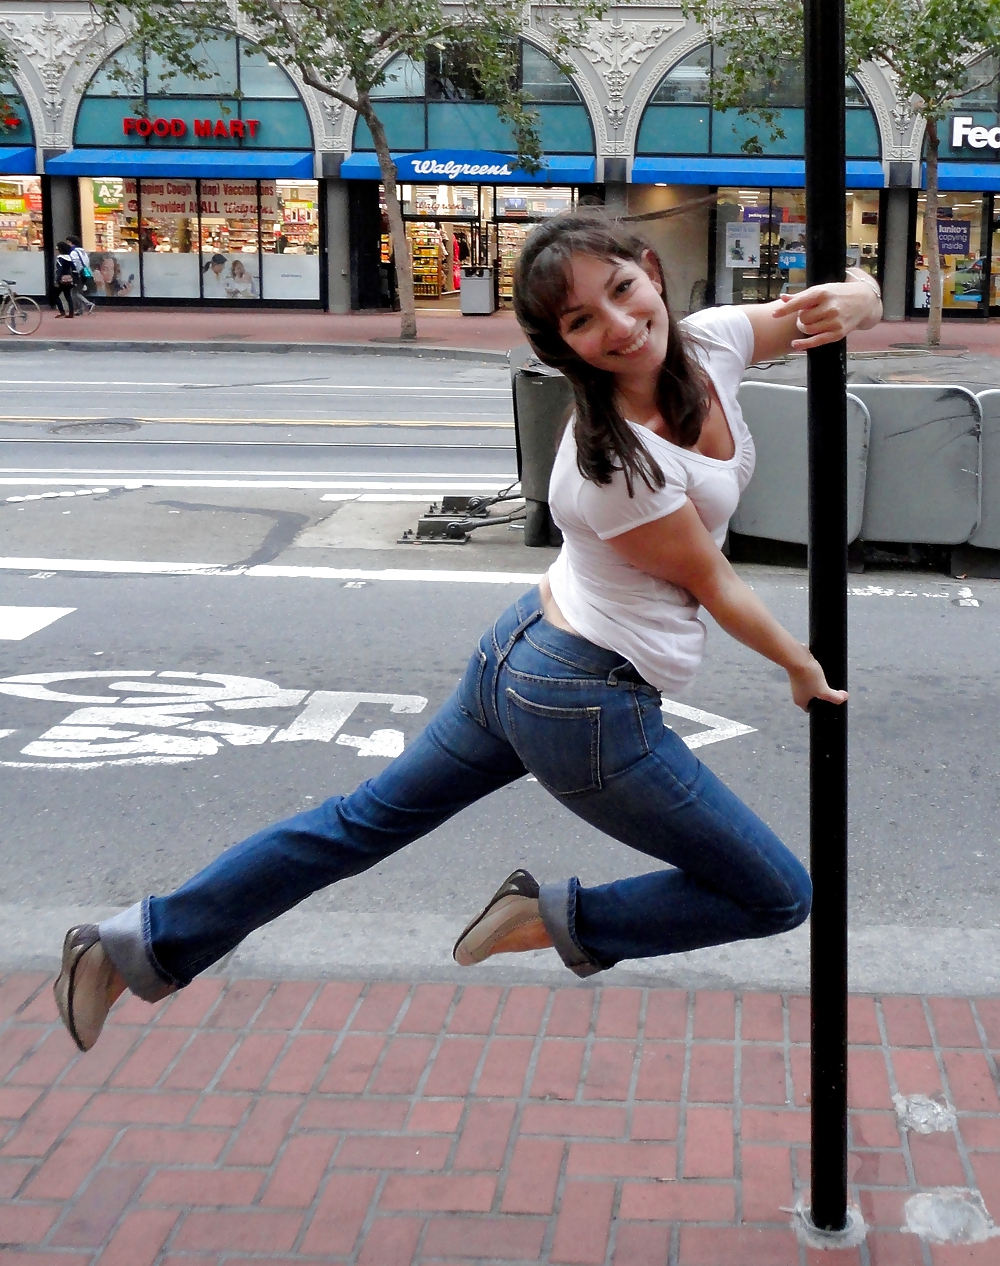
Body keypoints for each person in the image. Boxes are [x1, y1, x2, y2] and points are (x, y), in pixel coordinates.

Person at [54, 209, 882, 1052]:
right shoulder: (608, 465)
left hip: (525, 649)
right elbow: (712, 581)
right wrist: (799, 664)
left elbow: (819, 312)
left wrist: (859, 296)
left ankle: (129, 948)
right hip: (584, 700)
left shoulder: (707, 342)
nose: (623, 326)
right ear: (561, 347)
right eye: (583, 321)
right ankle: (561, 918)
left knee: (357, 823)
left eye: (624, 292)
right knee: (775, 894)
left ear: (650, 272)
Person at [66, 235, 95, 315]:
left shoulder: (73, 252)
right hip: (85, 273)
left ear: (72, 243)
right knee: (79, 291)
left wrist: (73, 272)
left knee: (74, 292)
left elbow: (74, 263)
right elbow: (86, 262)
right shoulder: (82, 251)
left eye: (68, 242)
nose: (67, 244)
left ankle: (88, 304)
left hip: (78, 274)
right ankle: (80, 310)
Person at [53, 240, 76, 318]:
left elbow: (60, 269)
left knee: (55, 295)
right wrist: (74, 279)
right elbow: (74, 269)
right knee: (68, 296)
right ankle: (71, 312)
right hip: (69, 279)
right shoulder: (69, 258)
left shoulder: (60, 258)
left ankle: (62, 311)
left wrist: (57, 279)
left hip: (62, 279)